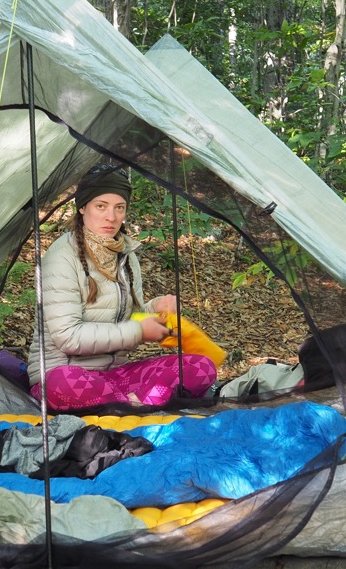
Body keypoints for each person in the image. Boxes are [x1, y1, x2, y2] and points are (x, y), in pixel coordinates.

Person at [28, 163, 218, 410]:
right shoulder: (61, 256)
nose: (111, 217)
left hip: (116, 376)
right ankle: (141, 404)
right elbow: (68, 338)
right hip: (65, 375)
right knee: (61, 383)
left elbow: (129, 319)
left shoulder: (126, 255)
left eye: (120, 208)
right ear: (82, 207)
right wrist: (139, 331)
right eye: (101, 206)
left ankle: (128, 405)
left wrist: (155, 309)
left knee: (201, 366)